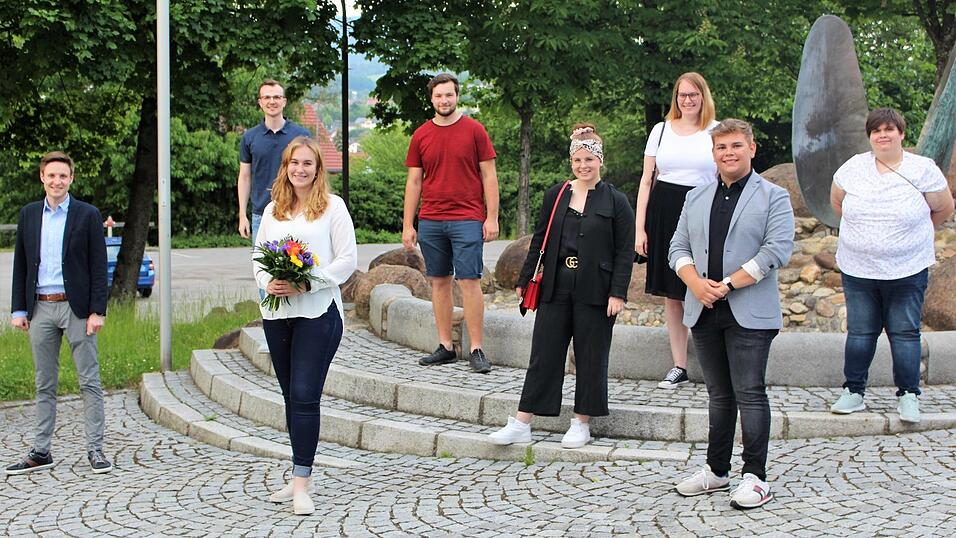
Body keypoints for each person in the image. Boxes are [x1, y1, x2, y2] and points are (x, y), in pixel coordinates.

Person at [669, 119, 794, 510]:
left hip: (749, 311)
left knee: (750, 393)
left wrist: (727, 283)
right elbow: (677, 247)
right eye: (722, 147)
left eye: (737, 146)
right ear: (714, 154)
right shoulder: (696, 196)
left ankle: (756, 476)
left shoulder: (774, 196)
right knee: (719, 395)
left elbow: (776, 251)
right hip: (704, 308)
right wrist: (696, 283)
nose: (729, 153)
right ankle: (716, 470)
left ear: (752, 149)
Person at [488, 123, 635, 449]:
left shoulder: (616, 201)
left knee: (590, 355)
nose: (583, 166)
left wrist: (618, 292)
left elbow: (625, 250)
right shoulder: (557, 194)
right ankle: (522, 421)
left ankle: (581, 422)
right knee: (544, 353)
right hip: (556, 284)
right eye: (577, 160)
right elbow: (539, 239)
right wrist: (525, 279)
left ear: (600, 160)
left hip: (596, 289)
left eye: (589, 160)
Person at [829, 108, 954, 423]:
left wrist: (910, 235)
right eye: (876, 131)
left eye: (889, 129)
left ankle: (908, 395)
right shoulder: (853, 168)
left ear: (901, 133)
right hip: (858, 269)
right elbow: (837, 203)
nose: (882, 135)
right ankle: (853, 391)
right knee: (860, 332)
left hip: (907, 268)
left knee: (904, 332)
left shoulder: (923, 169)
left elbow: (942, 208)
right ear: (870, 136)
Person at [253, 137, 357, 515]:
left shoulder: (332, 207)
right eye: (294, 163)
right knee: (289, 396)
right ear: (286, 167)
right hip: (277, 313)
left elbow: (347, 260)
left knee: (304, 393)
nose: (300, 169)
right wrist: (268, 282)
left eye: (308, 164)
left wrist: (307, 282)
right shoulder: (272, 211)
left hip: (318, 312)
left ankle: (301, 485)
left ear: (317, 169)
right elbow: (258, 256)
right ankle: (300, 474)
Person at [6, 151, 112, 476]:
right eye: (51, 176)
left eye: (63, 176)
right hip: (40, 307)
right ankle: (41, 451)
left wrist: (98, 311)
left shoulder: (87, 214)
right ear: (42, 177)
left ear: (71, 178)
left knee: (89, 382)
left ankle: (96, 450)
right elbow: (21, 264)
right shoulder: (28, 215)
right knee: (44, 383)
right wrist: (19, 309)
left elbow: (98, 265)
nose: (57, 181)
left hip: (77, 309)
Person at [403, 72, 500, 374]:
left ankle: (476, 349)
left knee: (469, 281)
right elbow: (414, 182)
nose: (444, 100)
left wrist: (492, 217)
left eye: (449, 94)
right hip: (431, 219)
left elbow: (489, 176)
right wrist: (409, 223)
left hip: (467, 218)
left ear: (457, 96)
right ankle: (445, 346)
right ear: (431, 99)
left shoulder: (474, 131)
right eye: (439, 95)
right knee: (439, 281)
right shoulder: (421, 135)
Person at [635, 72, 719, 389]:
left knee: (703, 288)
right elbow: (646, 180)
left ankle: (714, 366)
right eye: (682, 95)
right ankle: (679, 365)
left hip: (704, 209)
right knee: (673, 293)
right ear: (676, 98)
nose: (687, 100)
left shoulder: (715, 130)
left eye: (693, 95)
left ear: (703, 96)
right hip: (664, 210)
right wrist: (639, 229)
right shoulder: (660, 131)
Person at [237, 79, 311, 243]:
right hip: (261, 215)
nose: (272, 101)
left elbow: (314, 173)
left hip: (296, 212)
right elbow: (244, 177)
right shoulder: (249, 137)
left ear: (284, 102)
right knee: (262, 267)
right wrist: (242, 215)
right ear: (260, 102)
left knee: (299, 265)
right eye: (267, 97)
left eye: (277, 97)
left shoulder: (301, 136)